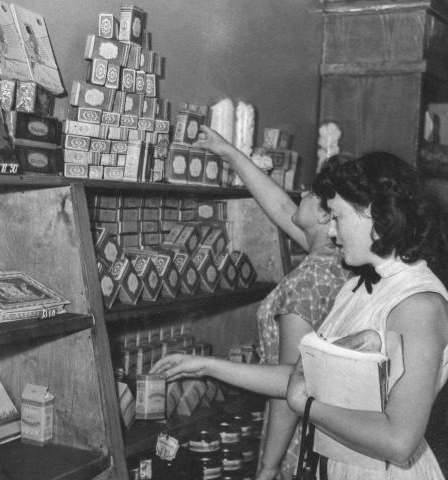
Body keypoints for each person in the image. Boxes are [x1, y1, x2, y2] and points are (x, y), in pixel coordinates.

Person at [151, 151, 448, 479]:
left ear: (374, 215)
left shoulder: (418, 304)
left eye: (337, 217)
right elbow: (302, 377)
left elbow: (399, 440)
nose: (332, 232)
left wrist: (306, 406)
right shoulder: (360, 286)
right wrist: (208, 366)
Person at [173, 125, 352, 479]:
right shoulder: (338, 259)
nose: (300, 192)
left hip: (295, 440)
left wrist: (268, 467)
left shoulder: (306, 282)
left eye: (311, 192)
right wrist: (229, 152)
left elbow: (290, 386)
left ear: (325, 214)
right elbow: (282, 205)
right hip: (328, 433)